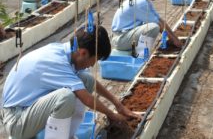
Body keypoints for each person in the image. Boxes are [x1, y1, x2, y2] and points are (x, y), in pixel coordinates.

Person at [0, 25, 140, 139]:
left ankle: (67, 135)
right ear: (84, 53)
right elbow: (87, 99)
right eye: (94, 60)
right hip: (16, 121)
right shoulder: (56, 62)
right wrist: (113, 115)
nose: (92, 65)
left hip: (27, 109)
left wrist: (118, 104)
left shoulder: (65, 51)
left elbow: (91, 83)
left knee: (86, 79)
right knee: (65, 96)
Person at [111, 0, 182, 55]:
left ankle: (140, 52)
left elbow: (160, 20)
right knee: (154, 27)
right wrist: (174, 41)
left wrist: (174, 37)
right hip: (120, 39)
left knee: (154, 24)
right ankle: (141, 55)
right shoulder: (141, 2)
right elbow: (159, 24)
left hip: (126, 35)